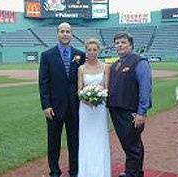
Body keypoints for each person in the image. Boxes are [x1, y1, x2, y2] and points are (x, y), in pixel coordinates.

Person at [38, 22, 85, 177]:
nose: (65, 34)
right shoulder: (47, 55)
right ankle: (55, 171)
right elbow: (43, 82)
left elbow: (83, 79)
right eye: (62, 31)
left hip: (74, 107)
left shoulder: (80, 55)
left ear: (72, 34)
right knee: (53, 142)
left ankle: (74, 171)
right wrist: (46, 106)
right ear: (57, 34)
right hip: (54, 108)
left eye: (68, 31)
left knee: (74, 142)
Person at [107, 32, 152, 177]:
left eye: (123, 42)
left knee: (132, 145)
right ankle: (134, 172)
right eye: (117, 43)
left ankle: (133, 173)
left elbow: (145, 88)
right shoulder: (115, 65)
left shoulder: (140, 62)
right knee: (129, 144)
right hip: (116, 111)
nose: (120, 45)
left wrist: (141, 112)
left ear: (131, 45)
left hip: (130, 112)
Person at [77, 38, 111, 177]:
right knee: (86, 138)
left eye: (95, 50)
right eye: (89, 50)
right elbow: (79, 90)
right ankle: (86, 172)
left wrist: (98, 97)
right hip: (85, 109)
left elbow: (106, 89)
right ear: (86, 51)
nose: (92, 52)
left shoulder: (106, 67)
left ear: (99, 51)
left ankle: (101, 172)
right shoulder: (81, 68)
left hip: (100, 109)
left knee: (100, 137)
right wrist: (87, 99)